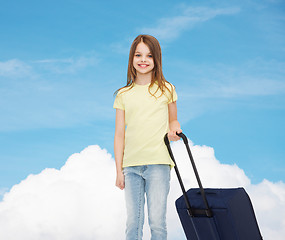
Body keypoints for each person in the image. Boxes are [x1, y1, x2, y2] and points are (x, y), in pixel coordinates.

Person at [113, 34, 182, 240]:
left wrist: (175, 131)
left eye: (149, 56)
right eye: (138, 55)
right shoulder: (123, 94)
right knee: (133, 224)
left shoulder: (167, 89)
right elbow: (119, 134)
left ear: (156, 59)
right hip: (131, 166)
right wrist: (119, 170)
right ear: (132, 59)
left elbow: (173, 121)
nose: (143, 60)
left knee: (157, 223)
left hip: (159, 163)